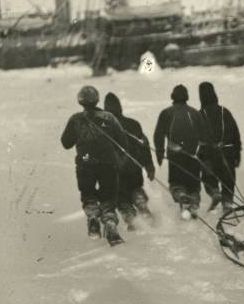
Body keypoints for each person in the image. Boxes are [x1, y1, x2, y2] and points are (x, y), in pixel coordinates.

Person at [61, 85, 127, 246]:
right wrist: (120, 160)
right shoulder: (109, 117)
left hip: (85, 162)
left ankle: (92, 217)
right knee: (109, 197)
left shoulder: (75, 119)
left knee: (88, 194)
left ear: (80, 101)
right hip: (108, 164)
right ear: (97, 99)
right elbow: (122, 141)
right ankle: (110, 224)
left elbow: (66, 143)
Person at [153, 84, 207, 219]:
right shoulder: (195, 113)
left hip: (175, 155)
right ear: (186, 97)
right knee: (194, 184)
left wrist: (159, 152)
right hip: (193, 155)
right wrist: (202, 155)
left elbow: (158, 135)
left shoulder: (166, 113)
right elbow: (204, 137)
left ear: (173, 97)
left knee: (177, 182)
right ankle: (193, 205)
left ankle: (182, 196)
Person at [104, 92, 155, 230]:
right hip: (134, 168)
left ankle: (132, 219)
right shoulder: (133, 123)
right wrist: (149, 165)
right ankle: (141, 203)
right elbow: (144, 146)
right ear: (119, 107)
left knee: (121, 197)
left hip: (115, 170)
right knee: (135, 188)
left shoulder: (103, 128)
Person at [198, 81, 242, 214]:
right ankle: (227, 204)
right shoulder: (225, 111)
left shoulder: (199, 114)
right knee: (228, 180)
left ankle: (214, 193)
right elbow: (235, 133)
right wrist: (237, 153)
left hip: (208, 153)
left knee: (208, 178)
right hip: (227, 152)